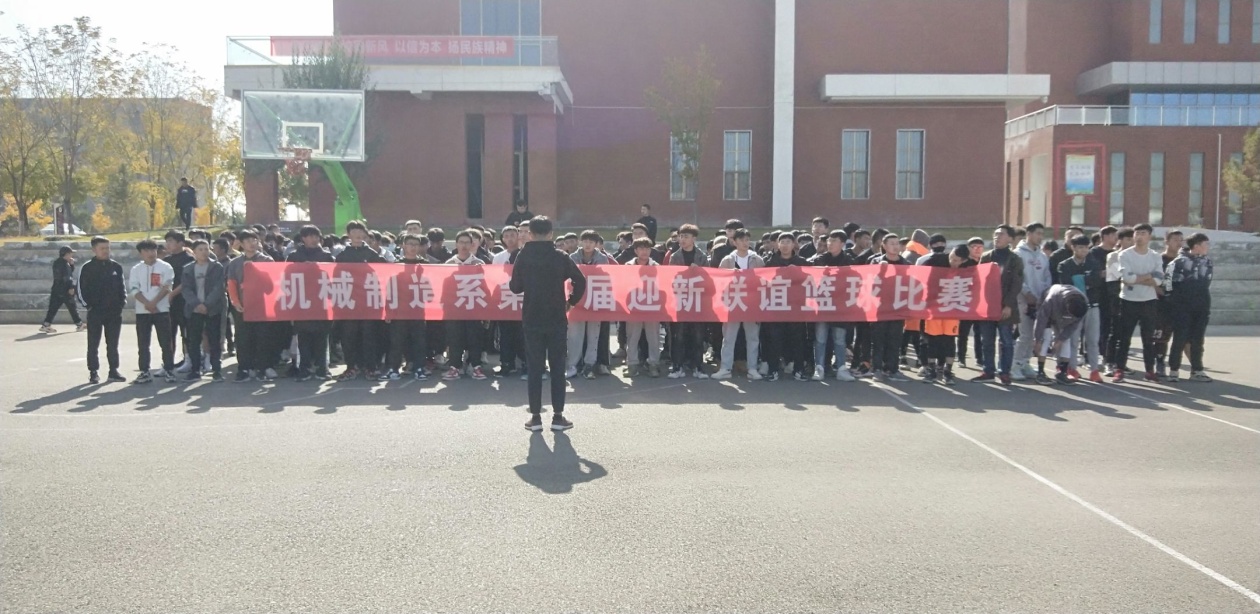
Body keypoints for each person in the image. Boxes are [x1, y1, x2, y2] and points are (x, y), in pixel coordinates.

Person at [510, 216, 587, 432]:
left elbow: (515, 287)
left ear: (530, 234)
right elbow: (580, 280)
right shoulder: (560, 256)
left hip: (532, 316)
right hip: (556, 316)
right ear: (551, 234)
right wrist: (571, 301)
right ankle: (558, 416)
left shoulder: (523, 255)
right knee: (557, 367)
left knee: (535, 368)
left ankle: (535, 417)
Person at [333, 222, 385, 380]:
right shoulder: (342, 256)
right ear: (348, 234)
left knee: (369, 336)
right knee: (348, 336)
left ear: (365, 234)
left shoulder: (372, 255)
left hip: (368, 303)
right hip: (348, 302)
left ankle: (370, 367)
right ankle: (351, 367)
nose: (357, 234)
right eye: (354, 231)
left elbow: (382, 277)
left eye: (360, 231)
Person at [1114, 223, 1165, 383]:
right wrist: (1148, 276)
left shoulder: (1155, 256)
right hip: (1128, 300)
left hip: (1149, 301)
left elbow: (1158, 279)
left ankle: (1150, 371)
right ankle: (1119, 369)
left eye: (1143, 233)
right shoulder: (1125, 255)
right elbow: (1127, 278)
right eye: (1137, 233)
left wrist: (1138, 279)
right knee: (1124, 338)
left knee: (1148, 339)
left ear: (1149, 236)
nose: (1139, 236)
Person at [974, 225, 1024, 385]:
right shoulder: (986, 257)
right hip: (988, 306)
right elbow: (979, 280)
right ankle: (988, 371)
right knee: (987, 340)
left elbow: (1016, 284)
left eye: (1001, 234)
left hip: (1005, 306)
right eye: (995, 234)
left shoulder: (1015, 259)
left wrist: (1008, 305)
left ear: (1010, 238)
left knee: (1006, 341)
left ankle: (1005, 372)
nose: (997, 237)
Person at [714, 228, 765, 381]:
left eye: (747, 240)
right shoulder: (727, 260)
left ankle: (752, 368)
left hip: (751, 303)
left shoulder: (757, 260)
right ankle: (725, 368)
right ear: (734, 242)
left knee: (753, 338)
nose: (745, 243)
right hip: (733, 303)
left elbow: (764, 280)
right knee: (729, 338)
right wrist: (731, 275)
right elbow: (719, 282)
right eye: (741, 240)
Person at [226, 229, 276, 382]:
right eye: (247, 241)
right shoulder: (235, 263)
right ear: (241, 244)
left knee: (263, 337)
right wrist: (236, 302)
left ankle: (263, 367)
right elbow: (231, 284)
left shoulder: (267, 261)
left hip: (262, 306)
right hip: (243, 306)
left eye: (254, 240)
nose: (252, 243)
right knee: (243, 338)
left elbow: (272, 284)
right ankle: (244, 368)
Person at [286, 225, 335, 381]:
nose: (314, 239)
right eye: (310, 236)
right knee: (303, 338)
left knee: (322, 337)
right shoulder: (294, 256)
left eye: (316, 236)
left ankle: (322, 368)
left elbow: (334, 277)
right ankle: (304, 368)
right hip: (301, 302)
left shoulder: (327, 256)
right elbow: (286, 277)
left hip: (321, 301)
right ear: (303, 238)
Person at [806, 229, 856, 382]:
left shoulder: (849, 261)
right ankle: (819, 368)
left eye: (834, 241)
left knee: (839, 339)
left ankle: (841, 368)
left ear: (842, 243)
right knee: (820, 339)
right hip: (822, 305)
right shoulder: (820, 260)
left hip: (840, 307)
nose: (830, 243)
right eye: (829, 241)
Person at [77, 236, 128, 384]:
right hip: (95, 312)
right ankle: (93, 372)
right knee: (93, 344)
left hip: (114, 313)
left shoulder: (116, 267)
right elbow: (80, 290)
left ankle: (113, 371)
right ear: (94, 250)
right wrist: (89, 306)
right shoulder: (87, 268)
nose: (106, 251)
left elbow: (122, 288)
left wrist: (121, 303)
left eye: (108, 248)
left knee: (113, 343)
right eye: (102, 248)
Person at [1165, 232, 1213, 383]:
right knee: (1180, 338)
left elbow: (1207, 282)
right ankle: (1174, 370)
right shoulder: (1178, 262)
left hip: (1201, 305)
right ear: (1196, 246)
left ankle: (1197, 370)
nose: (1208, 247)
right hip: (1182, 306)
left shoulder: (1207, 261)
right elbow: (1168, 285)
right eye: (1205, 244)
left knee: (1198, 339)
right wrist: (1175, 303)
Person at [1056, 234, 1104, 382]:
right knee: (1073, 339)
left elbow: (1097, 282)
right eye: (1080, 247)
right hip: (1073, 307)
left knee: (1093, 339)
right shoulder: (1064, 265)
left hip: (1093, 305)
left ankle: (1094, 370)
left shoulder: (1093, 263)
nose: (1084, 251)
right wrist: (1085, 281)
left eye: (1086, 248)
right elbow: (1067, 285)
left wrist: (1080, 279)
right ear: (1073, 248)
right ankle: (1072, 368)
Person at [382, 233, 430, 381]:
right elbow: (389, 289)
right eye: (410, 244)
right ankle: (393, 368)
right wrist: (388, 310)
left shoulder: (425, 265)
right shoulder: (396, 266)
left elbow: (431, 288)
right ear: (403, 246)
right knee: (397, 341)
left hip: (418, 308)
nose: (413, 247)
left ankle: (419, 368)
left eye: (416, 245)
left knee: (419, 341)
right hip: (399, 309)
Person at [442, 230, 489, 381]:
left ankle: (475, 366)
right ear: (456, 244)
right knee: (455, 338)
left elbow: (484, 287)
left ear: (472, 244)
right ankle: (455, 367)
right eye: (461, 242)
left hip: (473, 306)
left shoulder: (478, 263)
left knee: (475, 337)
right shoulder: (449, 264)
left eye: (467, 242)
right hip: (454, 308)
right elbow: (444, 288)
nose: (464, 245)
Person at [129, 239, 177, 384]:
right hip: (142, 311)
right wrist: (147, 304)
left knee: (165, 342)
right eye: (146, 250)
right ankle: (144, 371)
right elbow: (134, 289)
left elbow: (167, 287)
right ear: (141, 253)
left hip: (161, 310)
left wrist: (154, 303)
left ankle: (169, 369)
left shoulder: (165, 267)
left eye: (153, 250)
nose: (151, 253)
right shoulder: (136, 269)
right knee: (143, 343)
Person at [666, 224, 710, 379]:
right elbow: (671, 277)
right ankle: (677, 366)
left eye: (686, 236)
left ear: (694, 239)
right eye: (681, 236)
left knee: (698, 336)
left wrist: (699, 270)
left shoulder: (702, 256)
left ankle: (698, 366)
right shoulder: (675, 257)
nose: (682, 239)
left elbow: (709, 279)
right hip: (680, 301)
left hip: (697, 301)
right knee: (678, 336)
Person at [564, 230, 610, 379]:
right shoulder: (572, 257)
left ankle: (589, 365)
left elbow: (606, 277)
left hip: (595, 299)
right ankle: (572, 365)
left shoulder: (602, 258)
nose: (588, 244)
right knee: (574, 335)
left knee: (593, 334)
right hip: (576, 300)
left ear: (596, 244)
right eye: (585, 241)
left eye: (591, 242)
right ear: (580, 242)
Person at [181, 240, 226, 382]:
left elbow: (219, 288)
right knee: (193, 341)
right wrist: (196, 304)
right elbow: (186, 289)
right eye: (200, 249)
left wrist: (206, 304)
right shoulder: (188, 269)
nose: (204, 252)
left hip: (212, 309)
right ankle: (195, 370)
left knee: (214, 340)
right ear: (194, 252)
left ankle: (216, 370)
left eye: (206, 249)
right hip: (194, 310)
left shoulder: (216, 267)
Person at [621, 237, 665, 378]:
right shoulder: (628, 266)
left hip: (652, 306)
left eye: (647, 248)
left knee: (653, 337)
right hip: (634, 306)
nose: (644, 251)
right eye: (641, 248)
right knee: (632, 337)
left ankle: (654, 364)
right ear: (635, 251)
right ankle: (632, 364)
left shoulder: (657, 267)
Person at [1032, 284, 1090, 385]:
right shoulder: (1051, 299)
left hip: (1062, 314)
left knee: (1066, 340)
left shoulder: (1083, 304)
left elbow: (1073, 326)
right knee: (1045, 338)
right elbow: (1041, 320)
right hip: (1048, 312)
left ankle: (1062, 372)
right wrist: (1037, 340)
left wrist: (1060, 340)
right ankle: (1040, 373)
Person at [492, 225, 525, 377]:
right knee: (505, 334)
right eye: (506, 236)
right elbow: (494, 278)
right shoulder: (498, 257)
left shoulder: (525, 254)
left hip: (522, 298)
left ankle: (525, 363)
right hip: (505, 298)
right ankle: (507, 363)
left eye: (513, 235)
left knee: (522, 333)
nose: (510, 239)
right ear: (502, 239)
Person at [1153, 229, 1184, 379]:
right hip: (1161, 304)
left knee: (1181, 337)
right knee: (1160, 336)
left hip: (1180, 304)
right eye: (1175, 239)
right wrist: (1160, 290)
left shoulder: (1183, 261)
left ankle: (1180, 367)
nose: (1179, 243)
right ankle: (1159, 363)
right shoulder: (1158, 260)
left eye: (1181, 240)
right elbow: (1152, 280)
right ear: (1167, 241)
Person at [163, 231, 195, 373]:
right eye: (167, 241)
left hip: (184, 301)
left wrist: (172, 293)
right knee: (168, 333)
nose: (168, 244)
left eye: (171, 241)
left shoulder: (189, 259)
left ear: (181, 243)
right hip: (168, 302)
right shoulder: (166, 260)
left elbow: (186, 282)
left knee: (186, 332)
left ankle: (188, 359)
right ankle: (168, 362)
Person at [41, 246, 85, 333]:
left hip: (56, 288)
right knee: (72, 307)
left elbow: (64, 274)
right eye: (71, 253)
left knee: (53, 308)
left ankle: (46, 325)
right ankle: (79, 324)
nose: (72, 255)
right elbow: (68, 277)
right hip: (65, 289)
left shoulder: (57, 263)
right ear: (67, 254)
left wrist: (71, 265)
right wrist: (71, 287)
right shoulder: (65, 264)